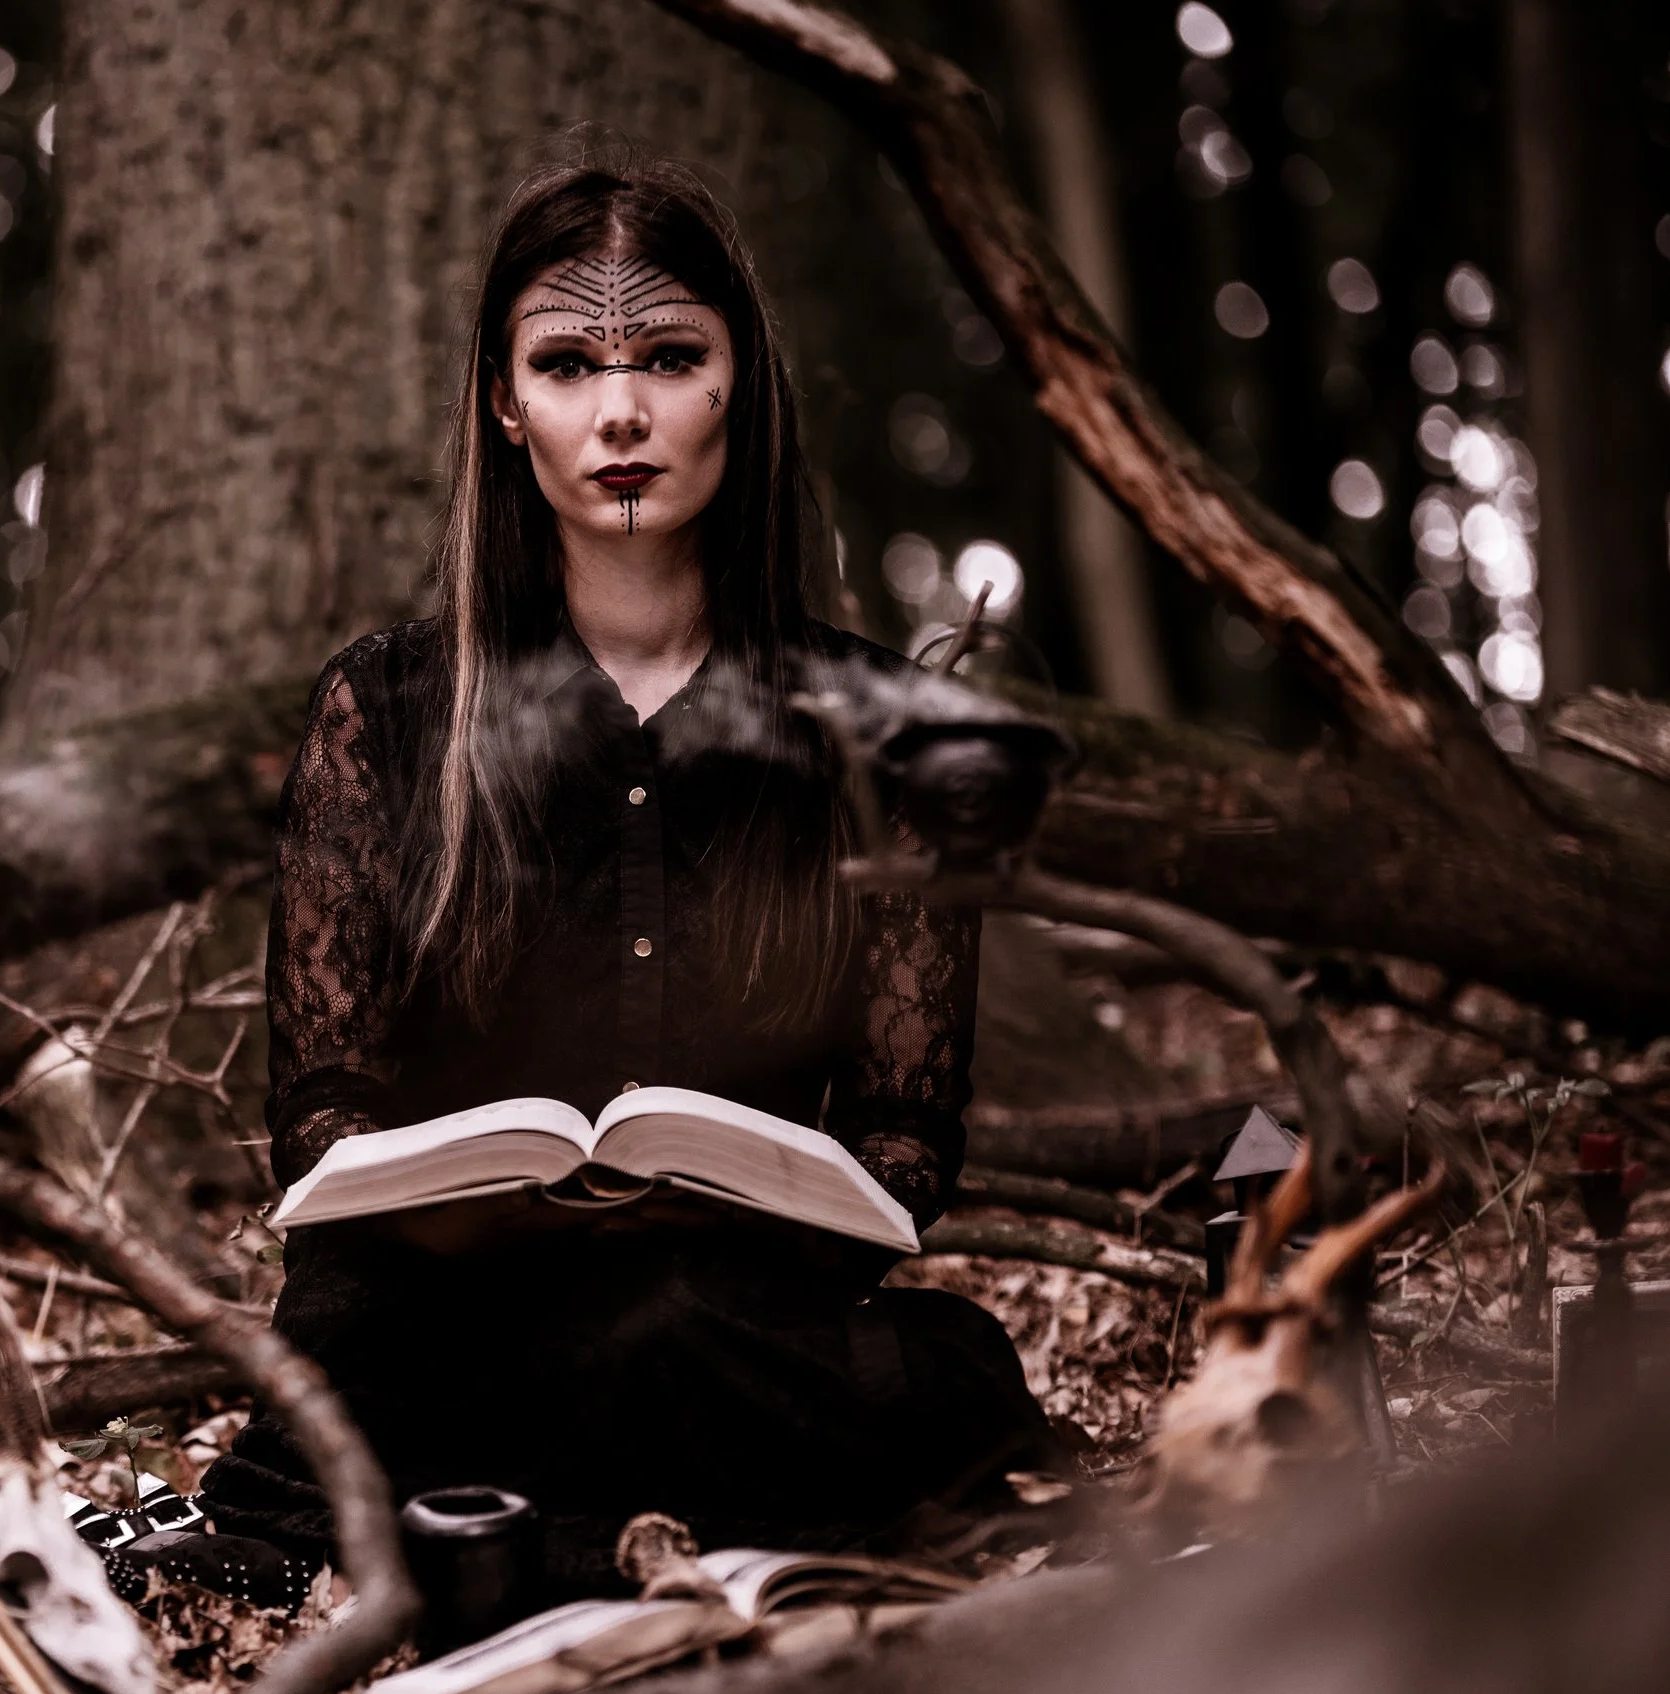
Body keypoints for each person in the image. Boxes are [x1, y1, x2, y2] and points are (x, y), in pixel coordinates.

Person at [198, 155, 1054, 1597]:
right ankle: (668, 1532)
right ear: (502, 398)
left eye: (670, 357)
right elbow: (321, 1112)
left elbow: (909, 1141)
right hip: (448, 1315)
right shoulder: (391, 707)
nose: (621, 412)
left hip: (734, 1316)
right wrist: (473, 1206)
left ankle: (524, 1538)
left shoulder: (875, 732)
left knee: (909, 1359)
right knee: (356, 1348)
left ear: (742, 383)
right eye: (568, 361)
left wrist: (738, 1201)